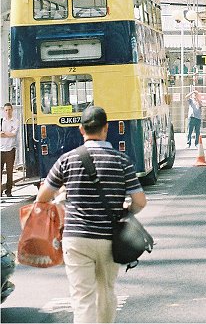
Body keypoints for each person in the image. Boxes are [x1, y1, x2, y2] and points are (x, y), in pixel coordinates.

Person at [34, 106, 147, 323]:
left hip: (76, 239)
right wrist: (126, 211)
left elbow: (42, 197)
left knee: (82, 298)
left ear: (81, 129)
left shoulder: (67, 160)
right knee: (106, 293)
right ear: (106, 128)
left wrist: (63, 197)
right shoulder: (121, 161)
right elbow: (140, 201)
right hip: (109, 238)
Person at [1, 103, 20, 197]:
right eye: (6, 110)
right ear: (4, 111)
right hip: (1, 149)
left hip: (11, 148)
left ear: (12, 110)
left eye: (9, 109)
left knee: (9, 171)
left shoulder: (15, 121)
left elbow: (14, 134)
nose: (8, 112)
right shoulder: (1, 121)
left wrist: (3, 133)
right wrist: (8, 133)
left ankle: (8, 190)